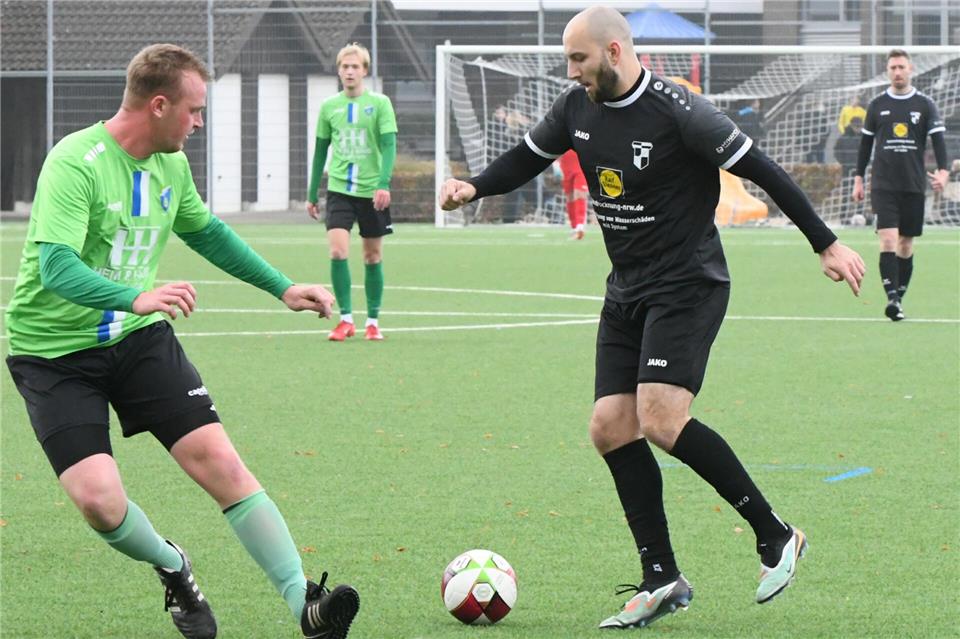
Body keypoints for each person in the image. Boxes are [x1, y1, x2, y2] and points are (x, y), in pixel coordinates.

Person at [439, 6, 865, 630]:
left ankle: (775, 534)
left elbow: (763, 170)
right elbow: (527, 158)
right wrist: (474, 187)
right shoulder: (576, 108)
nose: (571, 71)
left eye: (578, 59)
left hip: (687, 286)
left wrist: (824, 242)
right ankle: (661, 577)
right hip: (626, 291)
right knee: (611, 427)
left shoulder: (680, 112)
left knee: (661, 419)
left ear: (614, 51)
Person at [4, 44, 359, 639]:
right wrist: (135, 296)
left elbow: (208, 234)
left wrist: (282, 287)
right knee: (99, 502)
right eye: (194, 111)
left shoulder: (171, 166)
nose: (199, 124)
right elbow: (56, 270)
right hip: (52, 353)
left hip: (138, 340)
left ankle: (305, 603)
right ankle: (174, 566)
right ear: (159, 104)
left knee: (219, 461)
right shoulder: (76, 163)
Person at [307, 42, 397, 342]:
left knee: (372, 257)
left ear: (365, 71)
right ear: (339, 70)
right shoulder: (329, 106)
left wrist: (384, 184)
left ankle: (372, 321)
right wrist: (311, 193)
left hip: (372, 192)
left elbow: (389, 145)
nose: (349, 71)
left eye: (355, 66)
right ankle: (345, 319)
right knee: (337, 250)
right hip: (338, 191)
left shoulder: (380, 104)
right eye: (344, 66)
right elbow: (320, 151)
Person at [852, 48, 949, 321]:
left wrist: (943, 171)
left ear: (910, 70)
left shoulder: (925, 105)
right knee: (889, 239)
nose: (897, 72)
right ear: (888, 71)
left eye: (901, 67)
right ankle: (892, 299)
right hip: (883, 184)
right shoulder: (876, 105)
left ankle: (898, 299)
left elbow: (939, 142)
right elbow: (865, 146)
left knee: (906, 244)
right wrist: (859, 179)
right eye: (892, 67)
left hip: (914, 184)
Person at [558, 149, 589, 239]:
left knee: (579, 194)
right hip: (565, 164)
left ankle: (580, 226)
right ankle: (574, 227)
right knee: (570, 197)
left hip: (580, 162)